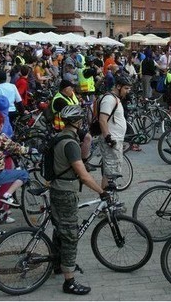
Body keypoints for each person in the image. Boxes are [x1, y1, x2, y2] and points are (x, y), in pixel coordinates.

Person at [50, 105, 108, 295]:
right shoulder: (71, 143)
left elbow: (76, 162)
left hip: (56, 188)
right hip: (66, 192)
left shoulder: (61, 137)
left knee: (60, 230)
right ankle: (69, 281)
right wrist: (101, 191)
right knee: (70, 236)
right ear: (77, 121)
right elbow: (83, 176)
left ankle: (57, 263)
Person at [98, 74, 132, 190]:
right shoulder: (109, 99)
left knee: (111, 173)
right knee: (109, 174)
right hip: (111, 141)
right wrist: (108, 138)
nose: (128, 91)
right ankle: (106, 200)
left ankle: (108, 201)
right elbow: (102, 119)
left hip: (116, 140)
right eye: (126, 88)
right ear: (118, 86)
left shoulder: (115, 99)